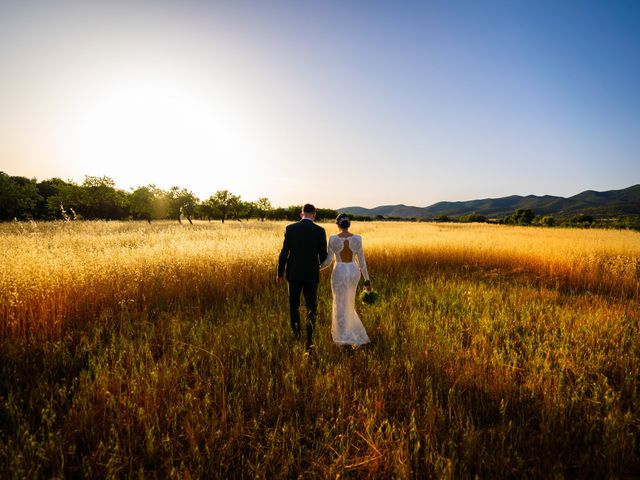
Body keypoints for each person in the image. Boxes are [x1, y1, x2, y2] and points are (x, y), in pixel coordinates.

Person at [277, 204, 328, 352]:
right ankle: (310, 339)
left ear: (301, 214)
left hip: (293, 274)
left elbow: (284, 253)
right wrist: (316, 265)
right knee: (311, 307)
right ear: (314, 215)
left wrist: (279, 273)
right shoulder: (319, 231)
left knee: (294, 305)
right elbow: (323, 256)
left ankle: (297, 335)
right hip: (311, 274)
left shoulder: (290, 228)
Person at [320, 214, 371, 346]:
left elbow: (328, 261)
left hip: (340, 272)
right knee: (349, 302)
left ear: (337, 224)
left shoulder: (333, 239)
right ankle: (351, 332)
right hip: (354, 271)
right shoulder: (358, 239)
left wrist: (316, 268)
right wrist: (367, 280)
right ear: (349, 224)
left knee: (339, 303)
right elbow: (362, 262)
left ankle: (342, 335)